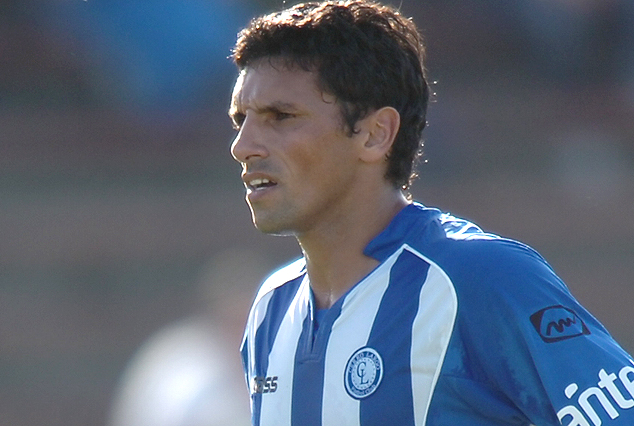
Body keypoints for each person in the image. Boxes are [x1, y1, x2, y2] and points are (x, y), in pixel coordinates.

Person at [227, 1, 634, 425]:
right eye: (240, 120)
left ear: (375, 134)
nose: (243, 146)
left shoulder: (479, 278)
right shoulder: (271, 307)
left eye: (281, 116)